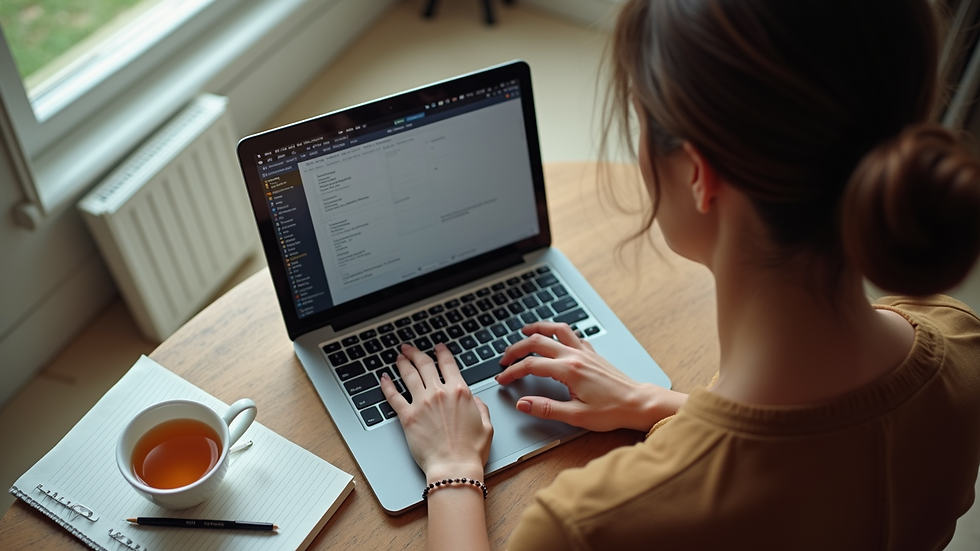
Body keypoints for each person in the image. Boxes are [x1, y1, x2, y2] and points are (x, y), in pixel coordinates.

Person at [379, 0, 980, 548]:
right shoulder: (961, 343)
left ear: (698, 172)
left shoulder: (593, 524)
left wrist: (452, 468)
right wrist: (655, 401)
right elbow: (822, 445)